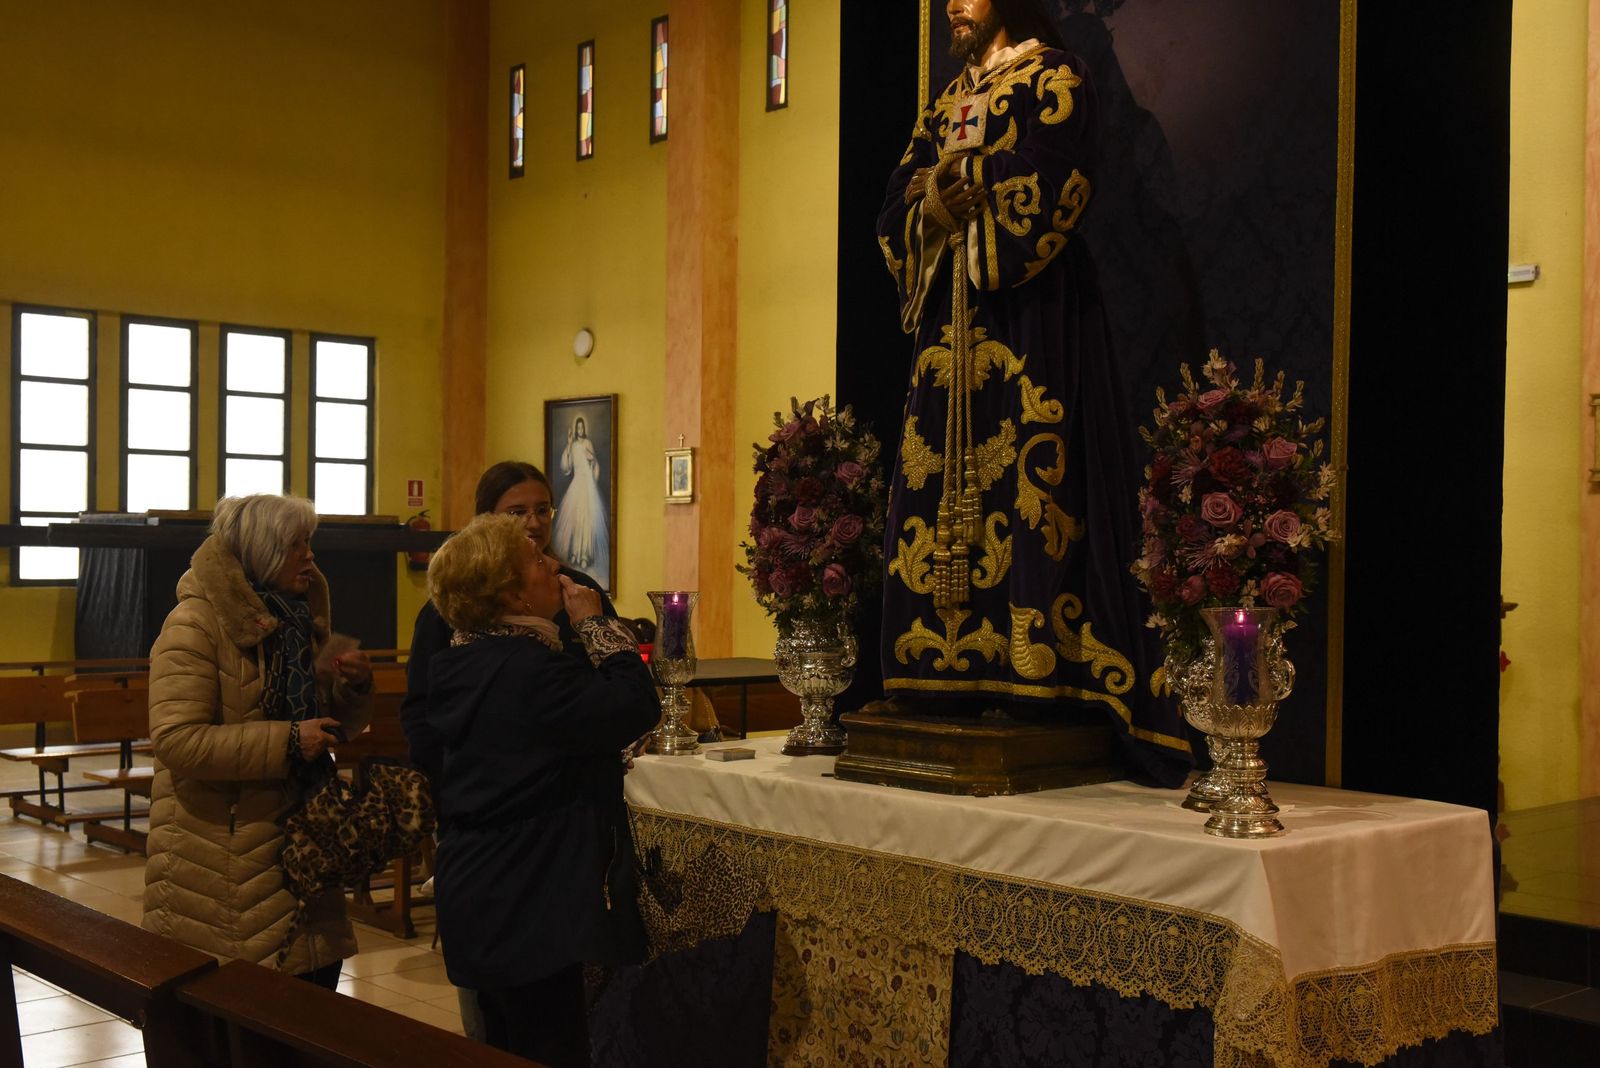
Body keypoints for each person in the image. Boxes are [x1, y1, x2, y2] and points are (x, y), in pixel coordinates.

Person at [874, 0, 1187, 783]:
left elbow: (1058, 179)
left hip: (1030, 314)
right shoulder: (946, 101)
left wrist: (961, 183)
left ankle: (1031, 666)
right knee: (935, 480)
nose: (956, 4)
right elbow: (895, 206)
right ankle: (939, 664)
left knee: (1028, 470)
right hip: (949, 326)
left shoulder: (1056, 75)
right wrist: (939, 200)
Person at [424, 512, 658, 1065]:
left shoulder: (463, 662)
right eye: (536, 560)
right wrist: (597, 625)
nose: (554, 564)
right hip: (527, 897)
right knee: (549, 1047)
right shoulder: (526, 670)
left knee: (502, 1042)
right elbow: (632, 706)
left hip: (478, 889)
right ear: (513, 593)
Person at [399, 459, 617, 1041]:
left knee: (559, 1000)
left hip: (568, 812)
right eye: (516, 512)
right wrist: (459, 786)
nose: (534, 523)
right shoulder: (449, 609)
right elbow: (423, 713)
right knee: (511, 1012)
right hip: (496, 814)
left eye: (542, 509)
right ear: (486, 523)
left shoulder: (574, 588)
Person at [143, 494, 373, 987]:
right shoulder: (194, 626)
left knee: (312, 1014)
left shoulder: (296, 623)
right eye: (296, 545)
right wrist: (289, 741)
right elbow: (176, 740)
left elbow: (330, 729)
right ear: (262, 551)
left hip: (304, 853)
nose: (309, 557)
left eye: (309, 543)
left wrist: (351, 690)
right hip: (224, 865)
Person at [550, 415, 610, 588]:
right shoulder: (574, 445)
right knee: (576, 522)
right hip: (576, 484)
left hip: (587, 485)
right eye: (578, 428)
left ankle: (584, 555)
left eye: (582, 428)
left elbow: (594, 464)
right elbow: (566, 467)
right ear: (575, 430)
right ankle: (575, 554)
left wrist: (592, 460)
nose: (580, 431)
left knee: (586, 522)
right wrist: (569, 443)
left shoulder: (587, 444)